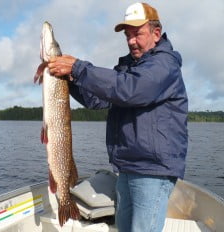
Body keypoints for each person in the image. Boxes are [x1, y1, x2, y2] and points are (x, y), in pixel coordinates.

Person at [48, 2, 188, 232]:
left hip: (153, 171)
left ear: (156, 33)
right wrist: (65, 79)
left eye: (137, 34)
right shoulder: (128, 68)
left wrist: (78, 68)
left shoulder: (164, 64)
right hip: (127, 167)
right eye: (128, 35)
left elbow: (132, 89)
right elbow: (98, 99)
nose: (131, 41)